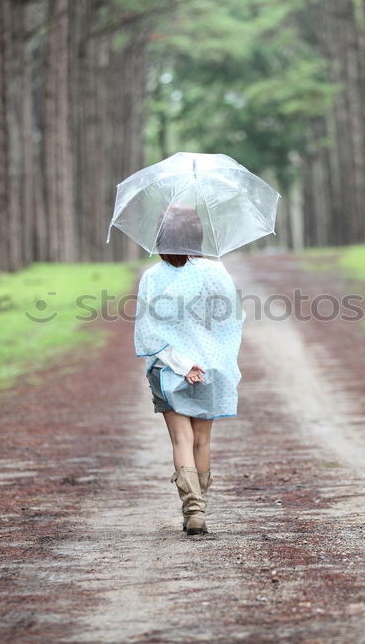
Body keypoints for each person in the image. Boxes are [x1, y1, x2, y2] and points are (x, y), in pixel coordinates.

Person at [134, 204, 244, 535]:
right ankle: (201, 509)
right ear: (197, 237)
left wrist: (181, 364)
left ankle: (191, 508)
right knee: (202, 441)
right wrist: (208, 361)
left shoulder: (152, 278)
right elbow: (230, 321)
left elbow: (147, 332)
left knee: (180, 438)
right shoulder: (214, 273)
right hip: (209, 366)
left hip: (167, 370)